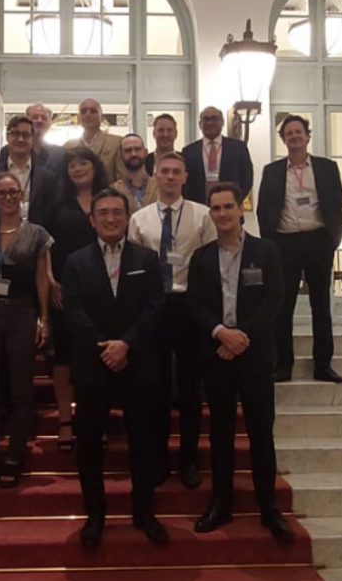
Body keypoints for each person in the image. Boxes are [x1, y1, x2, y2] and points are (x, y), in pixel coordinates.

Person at [187, 182, 294, 542]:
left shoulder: (266, 251)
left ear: (240, 209)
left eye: (228, 206)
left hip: (254, 355)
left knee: (261, 433)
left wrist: (241, 337)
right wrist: (221, 333)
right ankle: (221, 503)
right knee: (220, 434)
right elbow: (194, 304)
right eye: (216, 208)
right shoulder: (201, 257)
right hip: (217, 355)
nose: (222, 214)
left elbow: (274, 300)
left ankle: (268, 507)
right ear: (210, 213)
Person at [62, 187, 167, 548]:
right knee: (89, 443)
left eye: (117, 212)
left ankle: (144, 511)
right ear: (92, 220)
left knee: (143, 441)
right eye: (103, 213)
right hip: (94, 364)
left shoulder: (147, 259)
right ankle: (95, 513)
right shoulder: (75, 262)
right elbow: (73, 311)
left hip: (137, 362)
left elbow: (155, 306)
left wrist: (126, 344)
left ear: (127, 218)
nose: (110, 218)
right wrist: (106, 347)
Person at [128, 151, 216, 488]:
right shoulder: (140, 219)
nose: (169, 177)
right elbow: (134, 269)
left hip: (189, 306)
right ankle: (160, 458)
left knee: (191, 387)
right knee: (157, 386)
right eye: (163, 171)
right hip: (154, 306)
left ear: (185, 177)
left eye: (176, 172)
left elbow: (210, 263)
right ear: (155, 174)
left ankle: (189, 458)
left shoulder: (202, 215)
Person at [0, 171, 52, 489]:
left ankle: (15, 455)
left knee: (21, 389)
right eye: (2, 193)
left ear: (21, 196)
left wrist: (44, 319)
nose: (8, 197)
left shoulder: (38, 235)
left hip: (22, 312)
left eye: (13, 192)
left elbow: (42, 279)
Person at [256, 114, 342, 384]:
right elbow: (263, 209)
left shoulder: (327, 168)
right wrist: (270, 244)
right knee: (283, 306)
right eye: (289, 133)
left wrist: (332, 241)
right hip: (285, 243)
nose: (294, 137)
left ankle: (323, 365)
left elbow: (338, 206)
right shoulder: (272, 171)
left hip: (318, 241)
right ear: (283, 140)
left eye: (298, 132)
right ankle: (283, 364)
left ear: (307, 136)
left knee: (321, 305)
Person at [47, 146, 108, 451]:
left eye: (84, 163)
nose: (78, 168)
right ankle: (65, 421)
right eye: (72, 165)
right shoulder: (57, 203)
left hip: (101, 288)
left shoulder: (107, 200)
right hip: (63, 288)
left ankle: (95, 419)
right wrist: (50, 281)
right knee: (64, 355)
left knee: (97, 351)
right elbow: (44, 245)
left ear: (95, 167)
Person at [0, 115, 57, 228]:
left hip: (37, 238)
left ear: (32, 139)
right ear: (7, 137)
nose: (20, 139)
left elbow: (52, 217)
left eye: (26, 135)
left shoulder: (47, 178)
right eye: (15, 134)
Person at [182, 106, 253, 205]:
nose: (210, 123)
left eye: (214, 119)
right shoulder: (189, 151)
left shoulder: (238, 148)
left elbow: (247, 178)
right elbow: (184, 182)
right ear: (200, 124)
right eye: (206, 119)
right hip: (198, 206)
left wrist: (235, 200)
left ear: (222, 122)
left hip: (230, 205)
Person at [65, 98, 123, 183]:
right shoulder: (68, 146)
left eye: (93, 111)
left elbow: (122, 179)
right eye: (83, 111)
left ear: (102, 118)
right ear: (78, 118)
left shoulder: (117, 143)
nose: (88, 114)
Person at [0, 102, 65, 176]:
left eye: (44, 118)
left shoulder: (59, 153)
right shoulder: (8, 150)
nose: (39, 121)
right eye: (35, 117)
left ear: (49, 124)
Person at [111, 133, 159, 210]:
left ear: (145, 152)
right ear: (121, 154)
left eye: (137, 149)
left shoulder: (159, 187)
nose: (133, 154)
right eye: (128, 150)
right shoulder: (114, 190)